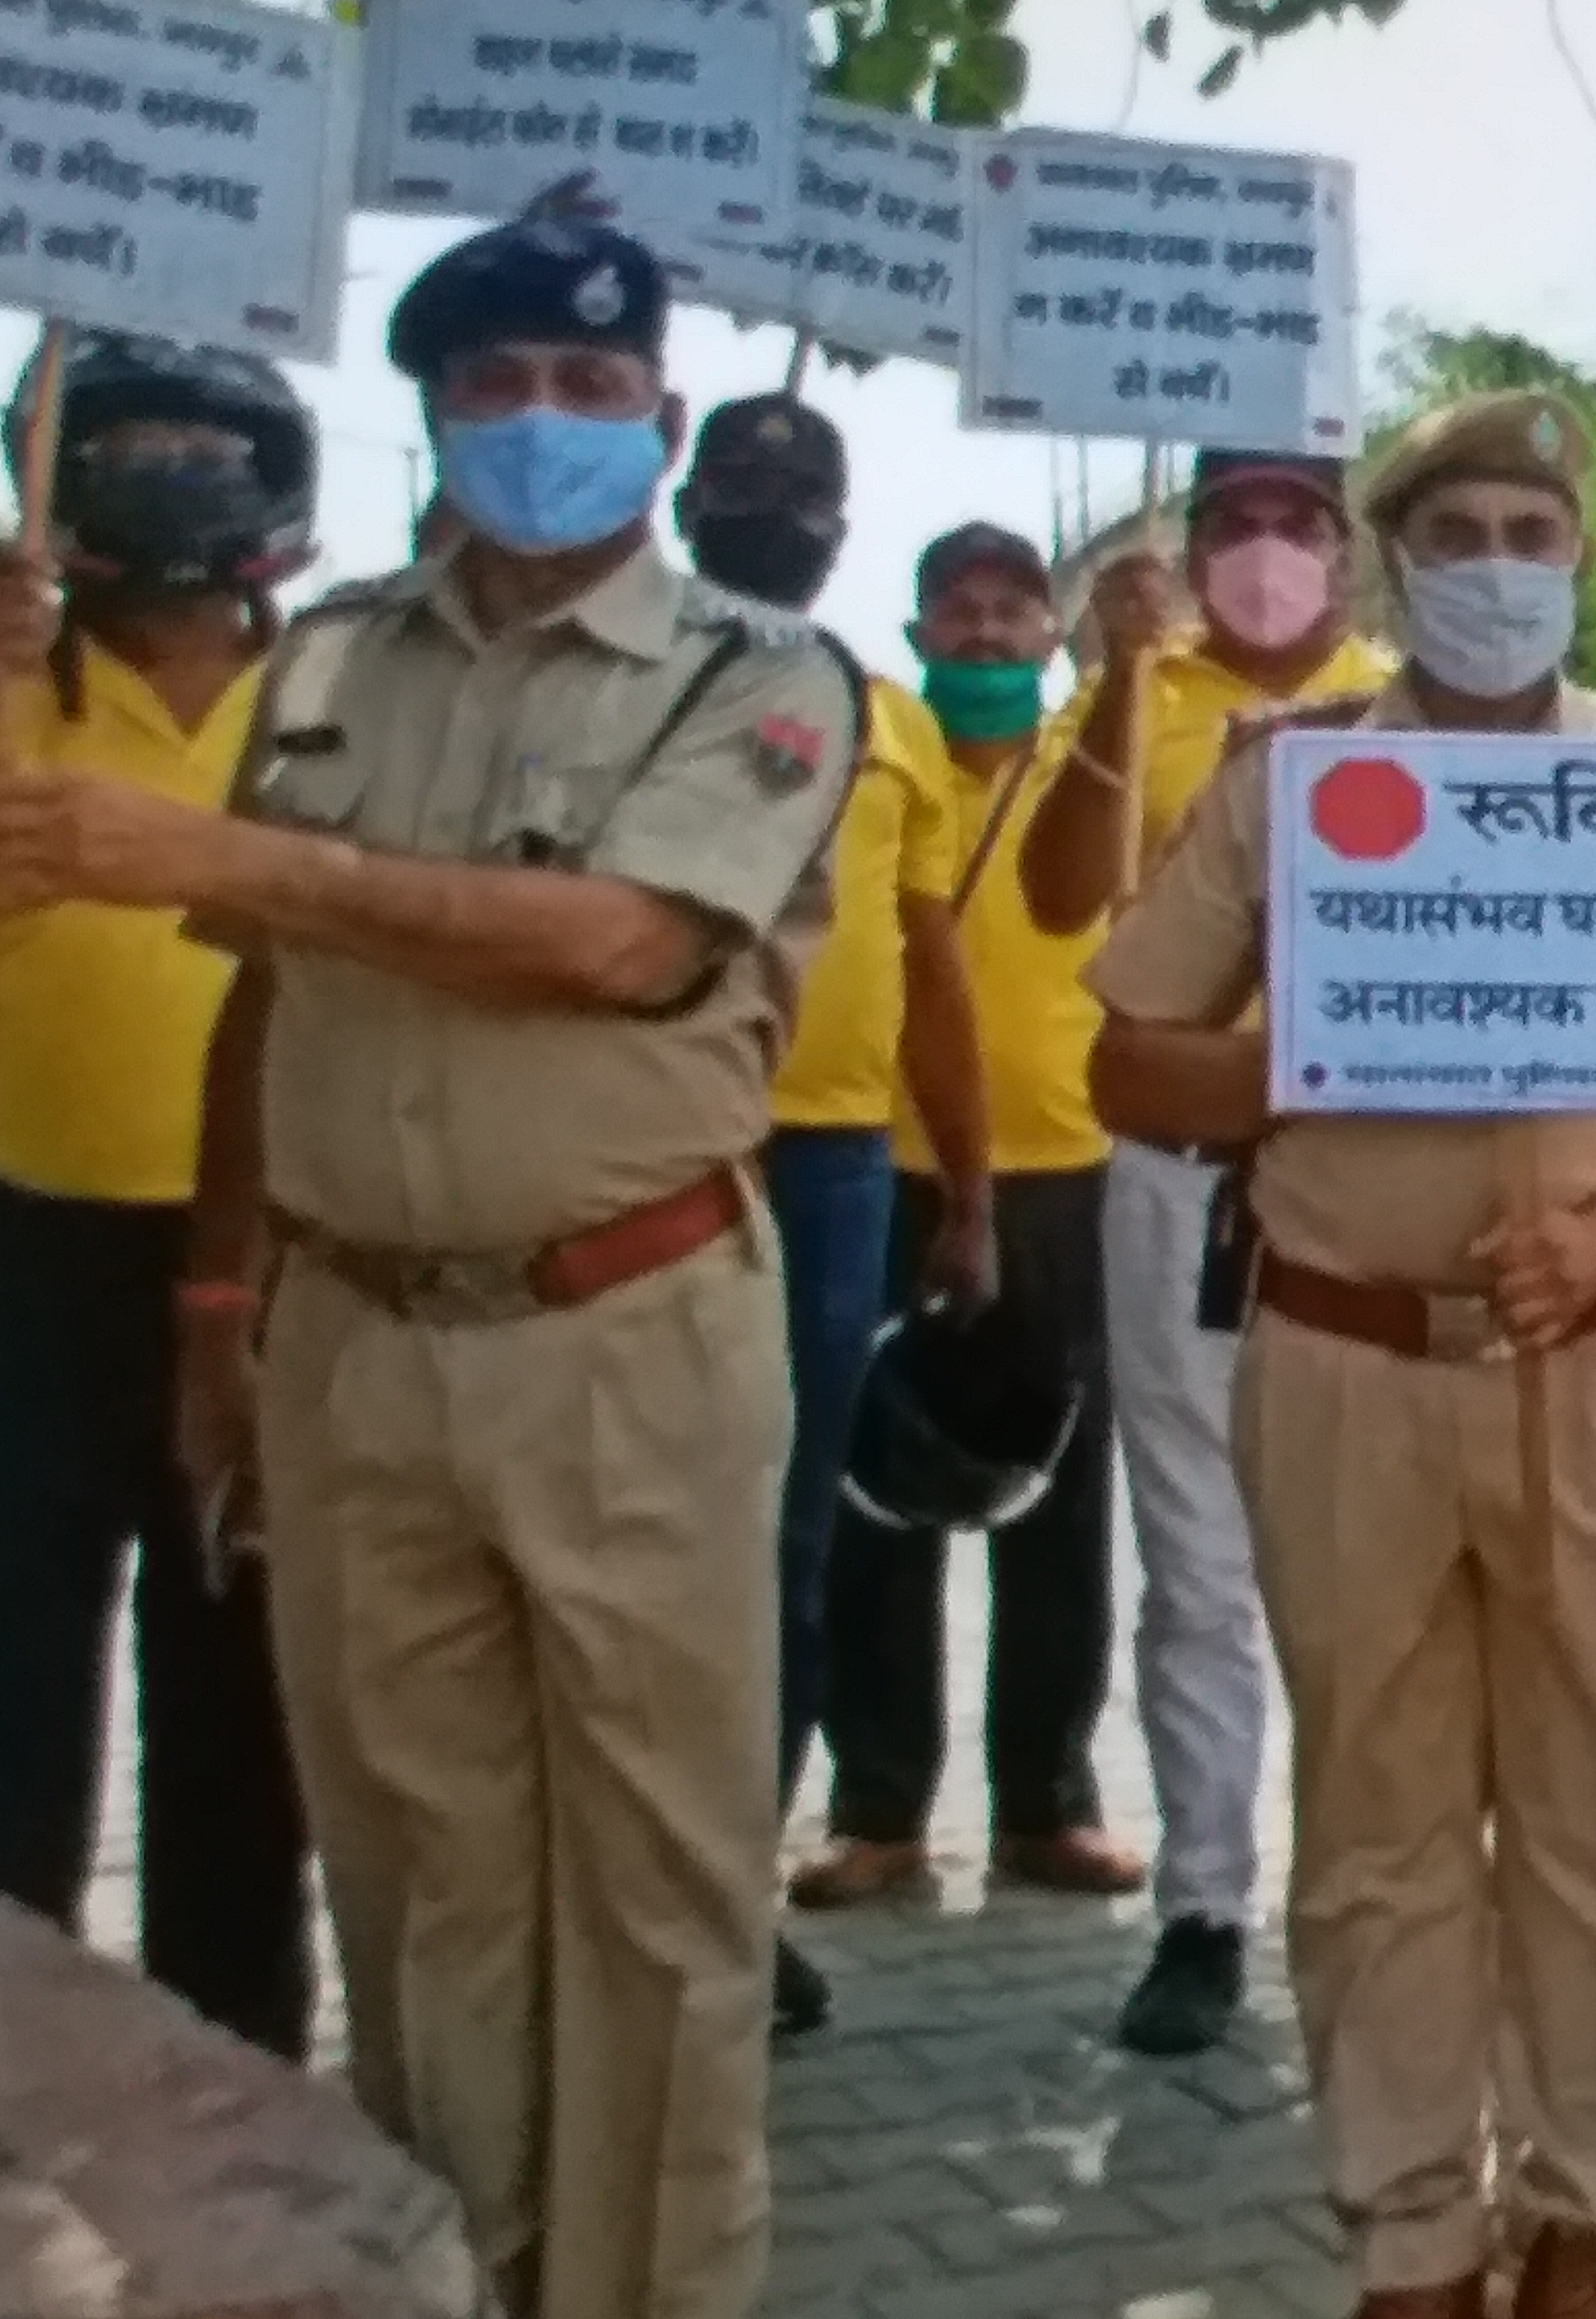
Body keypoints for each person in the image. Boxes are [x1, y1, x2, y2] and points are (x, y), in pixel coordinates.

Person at [0, 214, 867, 2319]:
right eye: (493, 386)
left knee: (654, 1908)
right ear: (435, 413)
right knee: (417, 1884)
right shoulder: (335, 659)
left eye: (588, 388)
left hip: (622, 1332)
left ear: (656, 419)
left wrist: (204, 851)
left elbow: (626, 947)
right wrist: (224, 1304)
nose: (542, 424)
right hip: (355, 1343)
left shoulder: (761, 677)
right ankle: (464, 2280)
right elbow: (263, 1011)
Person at [1082, 388, 1596, 2319]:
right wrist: (1308, 1050)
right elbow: (1122, 1060)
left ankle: (1583, 2214)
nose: (1498, 571)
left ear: (1580, 558)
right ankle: (1410, 2228)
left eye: (1532, 535)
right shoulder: (1289, 782)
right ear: (1394, 566)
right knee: (1376, 1826)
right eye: (1458, 539)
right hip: (1341, 1366)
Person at [1020, 446, 1390, 2055]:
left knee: (1379, 1563)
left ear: (1345, 556)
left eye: (1293, 523)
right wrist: (1113, 684)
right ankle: (1204, 1903)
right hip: (1181, 1173)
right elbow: (1051, 897)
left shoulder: (1417, 702)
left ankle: (1376, 1899)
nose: (1261, 550)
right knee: (1196, 1560)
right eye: (1228, 521)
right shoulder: (1136, 691)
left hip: (1374, 1183)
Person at [0, 332, 317, 2060]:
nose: (165, 465)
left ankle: (240, 2065)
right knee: (10, 1686)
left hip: (268, 1266)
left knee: (242, 1703)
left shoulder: (336, 688)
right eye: (123, 443)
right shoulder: (2, 671)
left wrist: (232, 1290)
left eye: (204, 439)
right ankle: (6, 2082)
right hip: (24, 1256)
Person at [669, 392, 997, 2042]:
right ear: (685, 499)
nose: (770, 511)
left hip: (835, 1170)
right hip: (650, 1154)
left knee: (785, 1548)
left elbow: (932, 966)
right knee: (625, 1537)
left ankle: (727, 1897)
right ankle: (615, 1895)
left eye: (802, 492)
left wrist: (972, 1189)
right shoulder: (632, 677)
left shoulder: (892, 719)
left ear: (841, 527)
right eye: (738, 482)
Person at [804, 523, 1139, 1917]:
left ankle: (1045, 1806)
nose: (990, 633)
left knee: (1058, 1506)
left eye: (1017, 611)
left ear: (1052, 633)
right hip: (889, 1169)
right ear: (922, 628)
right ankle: (878, 1812)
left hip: (1066, 1169)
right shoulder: (866, 750)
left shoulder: (1095, 766)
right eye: (963, 610)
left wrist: (1131, 661)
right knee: (875, 1496)